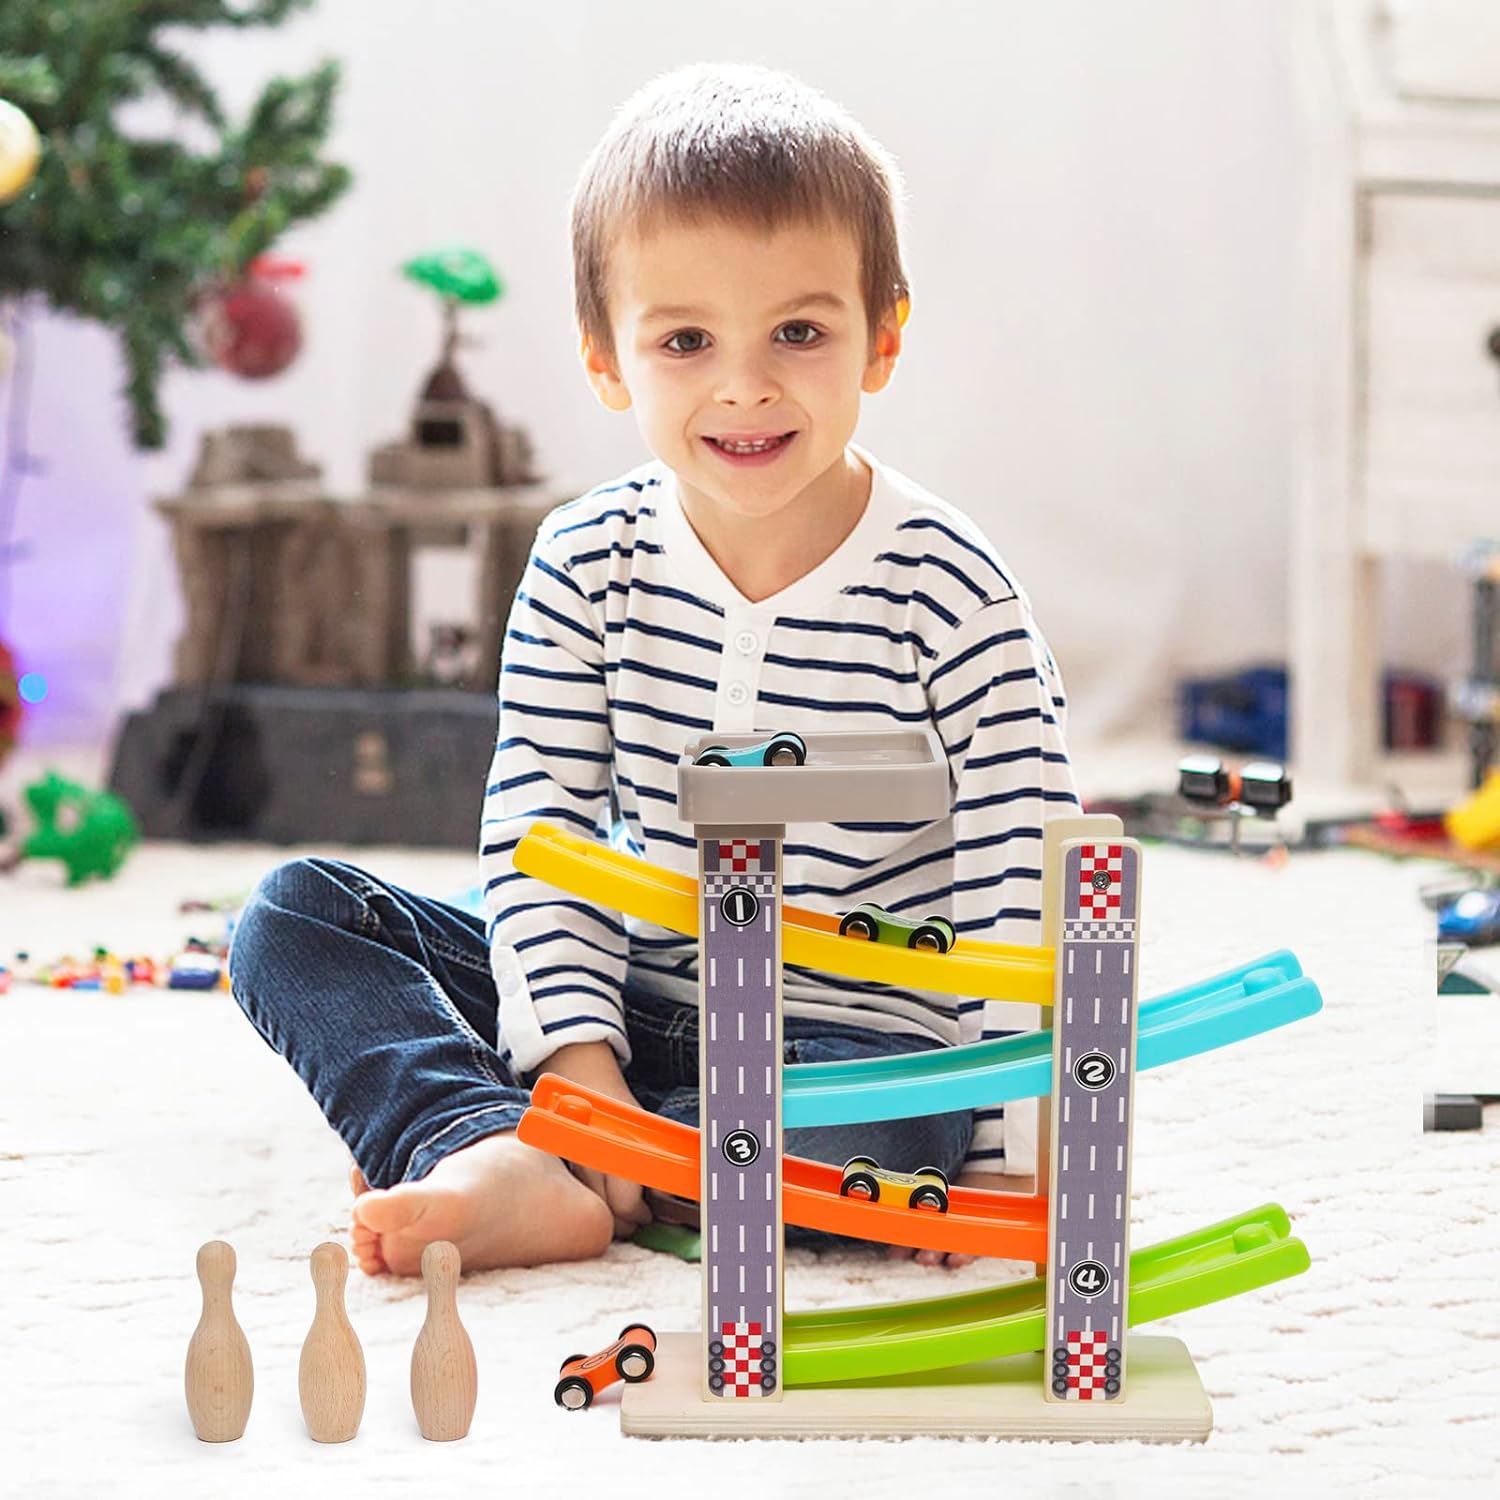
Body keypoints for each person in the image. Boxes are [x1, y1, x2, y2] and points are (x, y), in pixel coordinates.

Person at [228, 61, 1079, 1279]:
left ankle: (585, 1162)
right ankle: (500, 1144)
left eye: (799, 331)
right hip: (624, 1002)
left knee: (891, 1135)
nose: (744, 382)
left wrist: (1008, 1147)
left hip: (844, 1048)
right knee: (298, 917)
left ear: (882, 336)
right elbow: (540, 823)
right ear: (607, 361)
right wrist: (578, 1057)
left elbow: (1024, 862)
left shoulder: (950, 587)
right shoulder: (584, 557)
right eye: (686, 340)